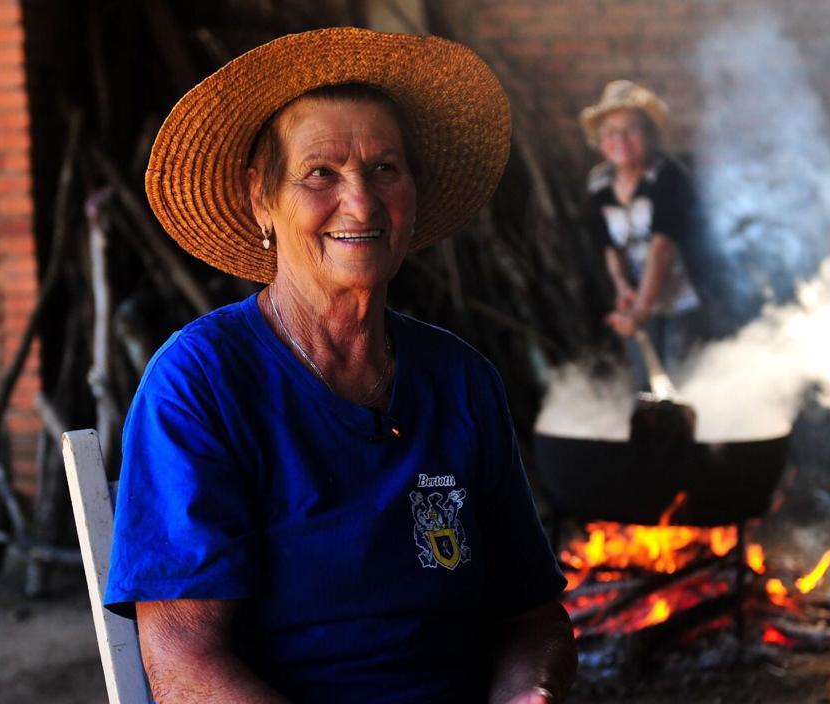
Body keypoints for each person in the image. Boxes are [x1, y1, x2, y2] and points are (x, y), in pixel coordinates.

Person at [104, 27, 576, 704]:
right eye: (320, 172)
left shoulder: (460, 379)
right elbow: (183, 661)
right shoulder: (202, 382)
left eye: (385, 168)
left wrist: (527, 692)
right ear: (261, 201)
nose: (361, 202)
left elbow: (531, 619)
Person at [580, 80, 705, 385]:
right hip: (637, 299)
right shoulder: (599, 183)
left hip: (681, 298)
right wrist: (623, 287)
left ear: (650, 134)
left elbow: (662, 250)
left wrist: (638, 313)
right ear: (600, 140)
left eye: (631, 129)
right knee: (645, 388)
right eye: (610, 131)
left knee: (682, 386)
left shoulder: (669, 176)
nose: (620, 139)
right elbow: (610, 246)